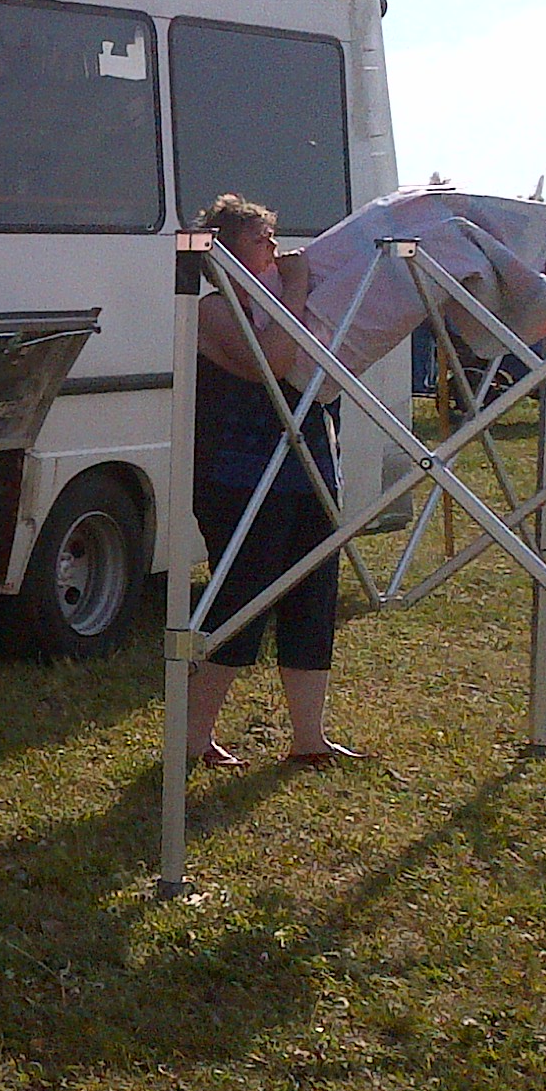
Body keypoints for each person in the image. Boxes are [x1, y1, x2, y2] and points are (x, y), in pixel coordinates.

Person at [186, 193, 359, 768]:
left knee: (314, 599)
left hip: (306, 469)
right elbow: (277, 363)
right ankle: (194, 737)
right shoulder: (212, 310)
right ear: (232, 252)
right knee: (240, 598)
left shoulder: (281, 303)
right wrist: (300, 284)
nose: (277, 251)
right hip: (237, 475)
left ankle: (309, 738)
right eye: (263, 241)